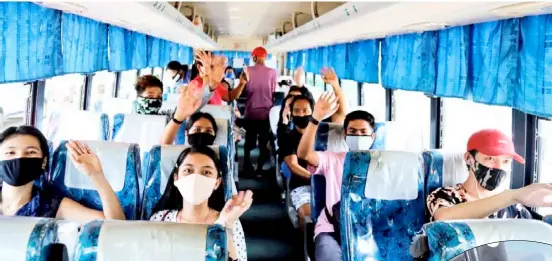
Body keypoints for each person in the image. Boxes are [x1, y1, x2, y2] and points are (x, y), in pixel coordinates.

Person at [297, 96, 376, 261]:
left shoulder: (382, 164)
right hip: (331, 228)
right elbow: (304, 154)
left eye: (363, 132)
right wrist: (315, 118)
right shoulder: (332, 159)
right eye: (353, 132)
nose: (358, 136)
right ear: (345, 135)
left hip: (370, 228)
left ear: (372, 137)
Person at [0, 126, 125, 221]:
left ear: (43, 162)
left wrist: (96, 175)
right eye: (10, 153)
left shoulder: (52, 206)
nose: (20, 158)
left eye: (30, 152)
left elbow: (114, 226)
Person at [150, 146, 253, 261]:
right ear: (176, 178)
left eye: (206, 172)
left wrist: (226, 224)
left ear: (216, 183)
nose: (195, 178)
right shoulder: (160, 219)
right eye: (188, 170)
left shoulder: (230, 222)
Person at [426, 129, 552, 221]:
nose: (499, 167)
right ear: (469, 158)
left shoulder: (514, 208)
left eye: (506, 161)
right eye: (490, 159)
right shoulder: (445, 196)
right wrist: (511, 196)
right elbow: (443, 217)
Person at [277, 94, 315, 231]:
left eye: (305, 110)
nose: (301, 114)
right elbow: (293, 165)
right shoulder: (288, 137)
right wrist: (317, 180)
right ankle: (307, 248)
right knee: (307, 213)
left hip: (329, 184)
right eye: (297, 111)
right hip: (302, 185)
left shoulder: (322, 135)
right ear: (291, 114)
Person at [243, 46, 278, 176]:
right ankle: (259, 169)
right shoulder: (272, 72)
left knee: (249, 140)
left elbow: (245, 89)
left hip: (251, 111)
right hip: (266, 113)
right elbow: (274, 91)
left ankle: (246, 164)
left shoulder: (247, 70)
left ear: (254, 57)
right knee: (263, 142)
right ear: (265, 57)